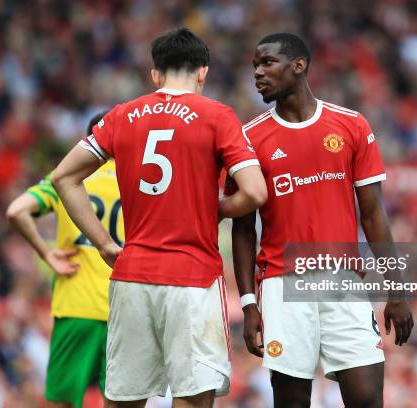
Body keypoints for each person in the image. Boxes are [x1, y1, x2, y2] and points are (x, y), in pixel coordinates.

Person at [50, 28, 267, 408]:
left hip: (132, 275)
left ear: (155, 73)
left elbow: (63, 178)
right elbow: (254, 192)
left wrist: (104, 242)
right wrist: (212, 209)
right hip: (192, 276)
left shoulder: (122, 115)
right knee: (192, 398)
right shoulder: (217, 116)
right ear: (203, 72)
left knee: (123, 399)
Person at [229, 33, 414, 407]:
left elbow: (374, 215)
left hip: (343, 282)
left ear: (299, 65)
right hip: (282, 287)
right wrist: (249, 304)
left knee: (366, 399)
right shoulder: (248, 139)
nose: (258, 73)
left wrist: (397, 289)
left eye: (267, 63)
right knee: (292, 402)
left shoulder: (351, 126)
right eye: (255, 65)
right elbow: (244, 228)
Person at [5, 112, 123, 408]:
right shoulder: (139, 183)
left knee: (62, 402)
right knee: (122, 401)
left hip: (76, 306)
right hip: (125, 309)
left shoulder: (67, 178)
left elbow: (16, 210)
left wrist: (46, 253)